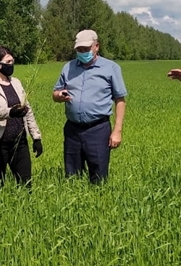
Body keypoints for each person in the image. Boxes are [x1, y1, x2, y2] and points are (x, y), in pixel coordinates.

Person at [52, 29, 127, 184]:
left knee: (99, 177)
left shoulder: (111, 68)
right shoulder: (68, 67)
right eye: (79, 50)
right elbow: (55, 93)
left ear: (96, 46)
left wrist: (117, 131)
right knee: (72, 177)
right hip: (72, 129)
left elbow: (120, 99)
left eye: (86, 49)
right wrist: (59, 96)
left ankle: (98, 203)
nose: (82, 52)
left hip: (98, 129)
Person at [0, 45, 43, 189]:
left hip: (19, 143)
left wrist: (36, 137)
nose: (11, 65)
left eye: (12, 61)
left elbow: (28, 110)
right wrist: (10, 112)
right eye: (8, 62)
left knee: (26, 185)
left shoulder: (16, 83)